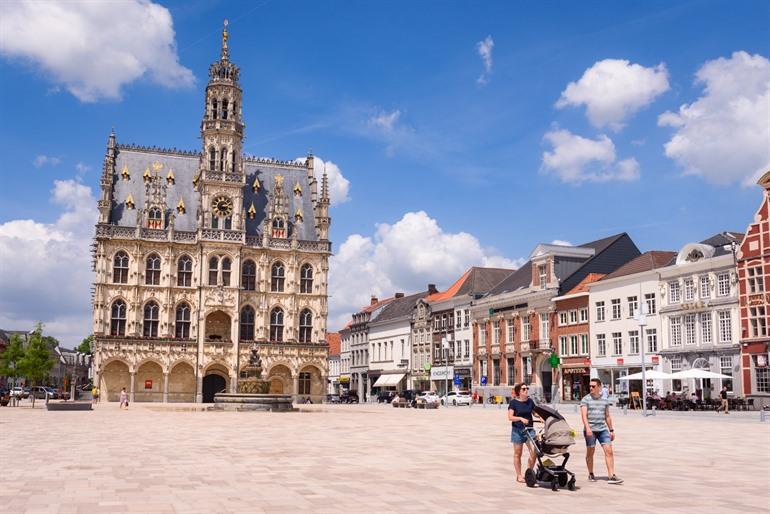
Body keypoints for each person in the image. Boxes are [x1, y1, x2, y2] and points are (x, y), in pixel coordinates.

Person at [581, 378, 622, 485]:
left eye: (593, 386)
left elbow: (607, 416)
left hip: (602, 429)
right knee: (591, 451)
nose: (591, 388)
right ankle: (591, 473)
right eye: (590, 386)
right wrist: (588, 428)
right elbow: (584, 416)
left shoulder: (605, 400)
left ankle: (611, 476)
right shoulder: (585, 399)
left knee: (609, 451)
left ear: (599, 387)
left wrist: (611, 430)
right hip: (590, 430)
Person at [507, 383, 538, 484]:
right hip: (517, 430)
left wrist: (542, 417)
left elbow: (535, 413)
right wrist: (520, 418)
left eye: (527, 388)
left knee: (534, 451)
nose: (526, 390)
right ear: (519, 392)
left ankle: (529, 473)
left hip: (529, 429)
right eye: (524, 389)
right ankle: (519, 476)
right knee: (518, 454)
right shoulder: (513, 403)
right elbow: (510, 417)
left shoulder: (530, 401)